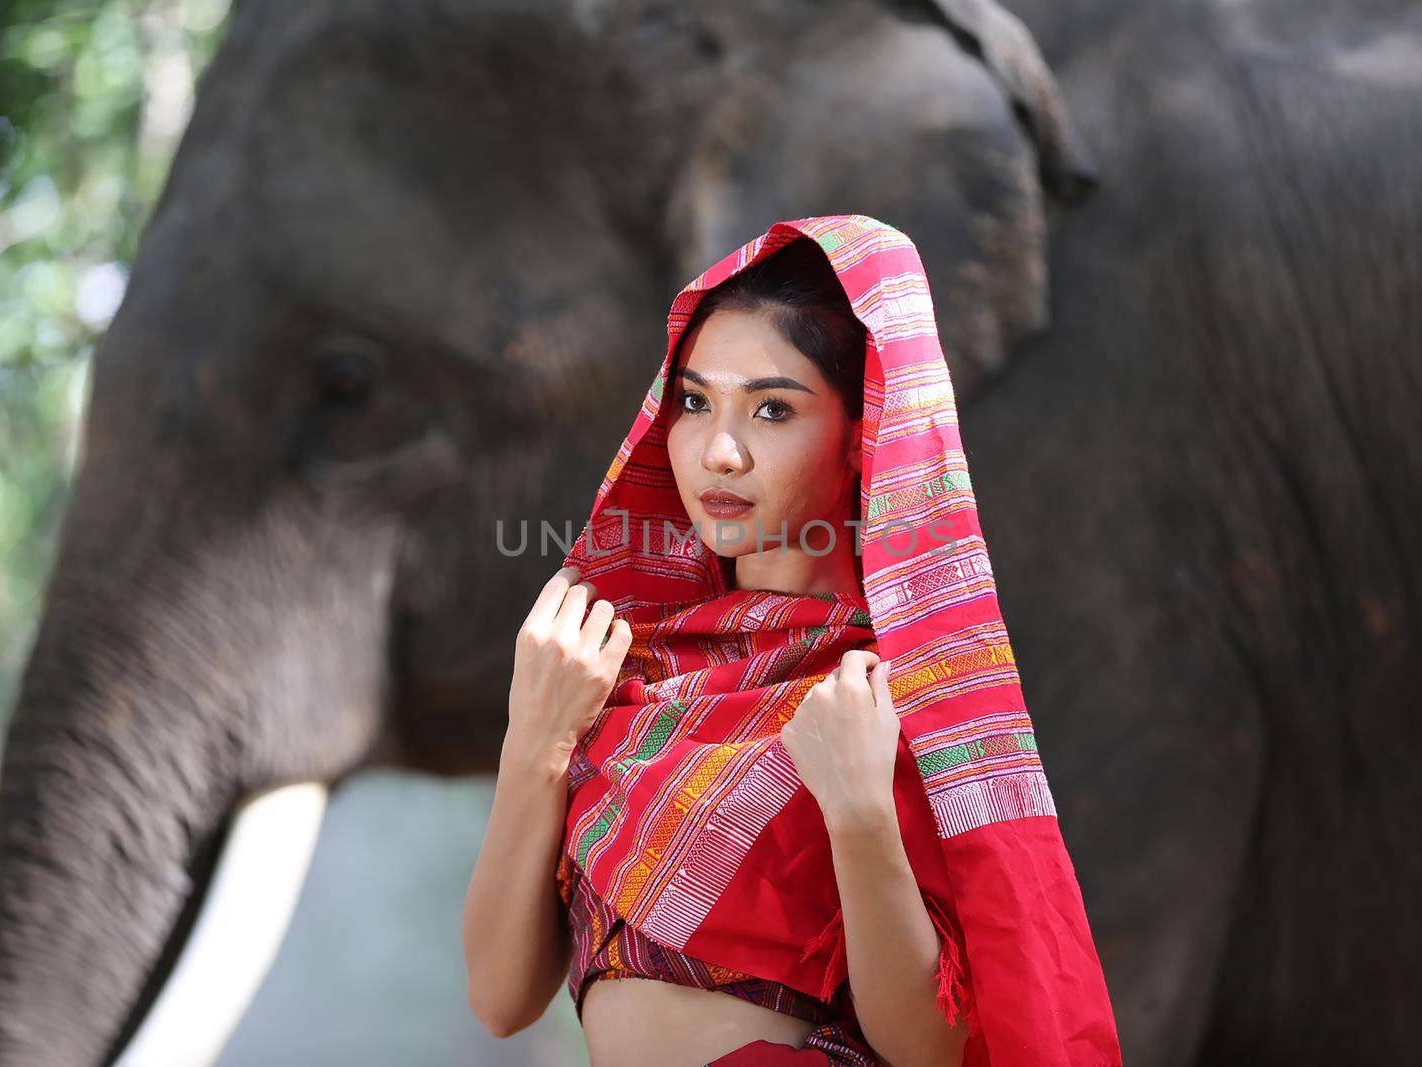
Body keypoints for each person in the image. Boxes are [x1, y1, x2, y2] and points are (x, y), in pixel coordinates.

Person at [464, 215, 1123, 1067]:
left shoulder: (884, 694)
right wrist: (535, 742)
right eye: (695, 402)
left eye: (772, 409)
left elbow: (930, 1047)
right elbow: (499, 997)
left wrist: (858, 810)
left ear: (862, 432)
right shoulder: (619, 671)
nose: (719, 451)